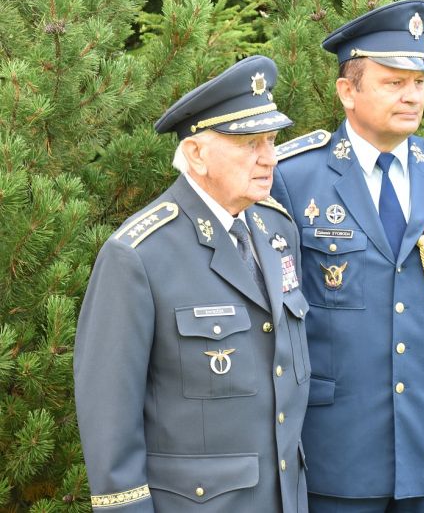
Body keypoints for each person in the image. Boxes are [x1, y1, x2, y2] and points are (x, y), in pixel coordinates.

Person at [271, 0, 424, 513]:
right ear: (347, 91)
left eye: (418, 82)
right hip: (336, 449)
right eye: (393, 82)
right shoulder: (293, 178)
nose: (411, 96)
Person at [74, 55, 311, 512]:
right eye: (249, 143)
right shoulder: (139, 255)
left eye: (271, 140)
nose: (269, 157)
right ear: (197, 154)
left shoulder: (276, 229)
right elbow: (110, 419)